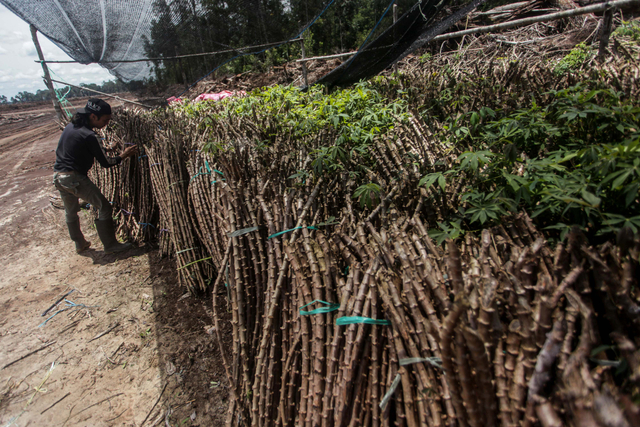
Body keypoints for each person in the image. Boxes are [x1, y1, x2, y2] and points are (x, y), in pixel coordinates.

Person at [53, 98, 138, 254]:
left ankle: (79, 244)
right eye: (104, 120)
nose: (106, 124)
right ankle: (111, 245)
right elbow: (106, 163)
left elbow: (80, 148)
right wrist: (123, 155)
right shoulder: (89, 135)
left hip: (59, 177)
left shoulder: (71, 127)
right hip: (74, 179)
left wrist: (106, 149)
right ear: (93, 116)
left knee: (70, 211)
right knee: (104, 207)